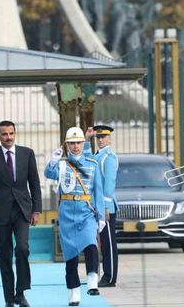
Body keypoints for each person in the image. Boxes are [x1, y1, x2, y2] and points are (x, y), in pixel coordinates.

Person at [0, 120, 42, 307]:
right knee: (4, 256)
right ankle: (9, 298)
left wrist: (36, 210)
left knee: (22, 249)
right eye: (4, 134)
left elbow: (35, 183)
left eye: (11, 133)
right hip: (1, 212)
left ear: (15, 134)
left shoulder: (27, 154)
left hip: (23, 210)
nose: (8, 137)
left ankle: (20, 293)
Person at [44, 127, 105, 306]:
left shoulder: (92, 165)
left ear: (83, 143)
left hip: (86, 211)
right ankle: (73, 293)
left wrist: (100, 216)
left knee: (91, 245)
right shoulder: (62, 165)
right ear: (67, 145)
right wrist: (53, 161)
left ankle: (93, 281)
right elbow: (49, 174)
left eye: (78, 142)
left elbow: (98, 192)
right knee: (70, 256)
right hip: (67, 212)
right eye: (72, 143)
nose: (76, 146)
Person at [85, 125, 119, 288]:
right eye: (98, 137)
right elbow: (86, 161)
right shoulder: (98, 156)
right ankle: (103, 275)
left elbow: (109, 184)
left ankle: (110, 276)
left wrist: (105, 207)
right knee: (100, 242)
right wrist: (86, 140)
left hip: (106, 207)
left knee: (108, 243)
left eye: (103, 137)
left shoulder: (109, 157)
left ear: (109, 138)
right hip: (96, 207)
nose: (100, 140)